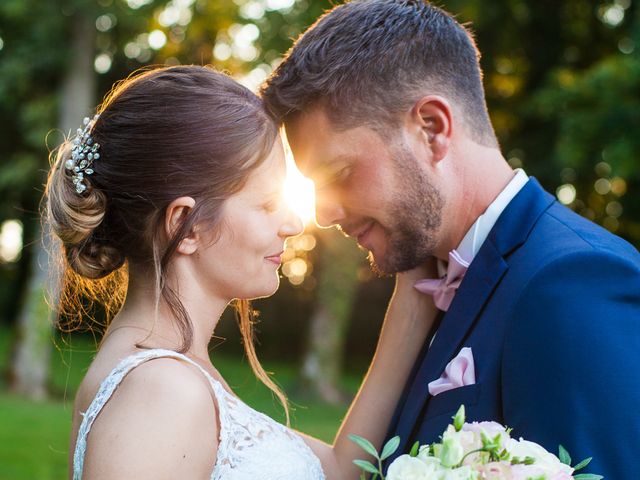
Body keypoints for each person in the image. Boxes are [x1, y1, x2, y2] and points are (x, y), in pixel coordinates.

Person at [260, 0, 640, 477]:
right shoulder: (426, 289)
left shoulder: (572, 285)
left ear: (432, 129)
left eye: (340, 173)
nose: (324, 213)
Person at [45, 65, 439, 479]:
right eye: (268, 203)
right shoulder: (163, 391)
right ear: (187, 224)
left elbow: (342, 470)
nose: (292, 224)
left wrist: (414, 286)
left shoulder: (172, 373)